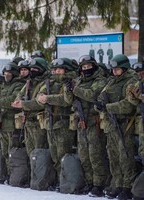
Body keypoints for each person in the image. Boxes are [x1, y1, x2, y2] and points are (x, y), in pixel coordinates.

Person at [94, 54, 138, 200]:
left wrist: (107, 107)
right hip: (111, 125)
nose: (114, 72)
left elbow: (128, 105)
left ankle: (128, 187)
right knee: (113, 157)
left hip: (125, 125)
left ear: (124, 68)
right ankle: (118, 185)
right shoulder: (111, 82)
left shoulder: (131, 82)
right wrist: (100, 106)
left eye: (117, 69)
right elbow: (101, 98)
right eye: (113, 69)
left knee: (126, 157)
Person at [66, 55, 108, 196]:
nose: (86, 69)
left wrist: (75, 89)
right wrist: (68, 90)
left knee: (95, 155)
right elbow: (68, 100)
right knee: (84, 155)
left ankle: (99, 184)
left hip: (93, 121)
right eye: (84, 67)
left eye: (89, 66)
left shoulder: (100, 80)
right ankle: (89, 182)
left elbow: (92, 94)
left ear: (94, 66)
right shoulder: (77, 81)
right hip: (80, 123)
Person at [35, 58, 77, 190]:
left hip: (63, 122)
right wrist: (42, 98)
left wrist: (48, 98)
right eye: (54, 70)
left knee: (63, 154)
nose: (56, 72)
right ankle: (59, 180)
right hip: (50, 123)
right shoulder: (50, 82)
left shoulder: (70, 81)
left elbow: (66, 100)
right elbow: (39, 97)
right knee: (54, 154)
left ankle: (65, 181)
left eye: (59, 69)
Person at [0, 62, 25, 183]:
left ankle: (14, 175)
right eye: (5, 73)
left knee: (12, 150)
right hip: (2, 123)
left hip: (13, 124)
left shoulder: (18, 85)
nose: (6, 75)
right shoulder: (1, 86)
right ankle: (9, 174)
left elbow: (12, 100)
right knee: (4, 151)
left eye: (9, 73)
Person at [12, 57, 50, 156]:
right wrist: (19, 102)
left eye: (35, 69)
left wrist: (23, 104)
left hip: (39, 124)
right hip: (28, 122)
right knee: (30, 153)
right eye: (31, 69)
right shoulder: (29, 83)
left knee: (40, 153)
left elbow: (40, 102)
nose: (32, 71)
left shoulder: (46, 83)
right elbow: (18, 97)